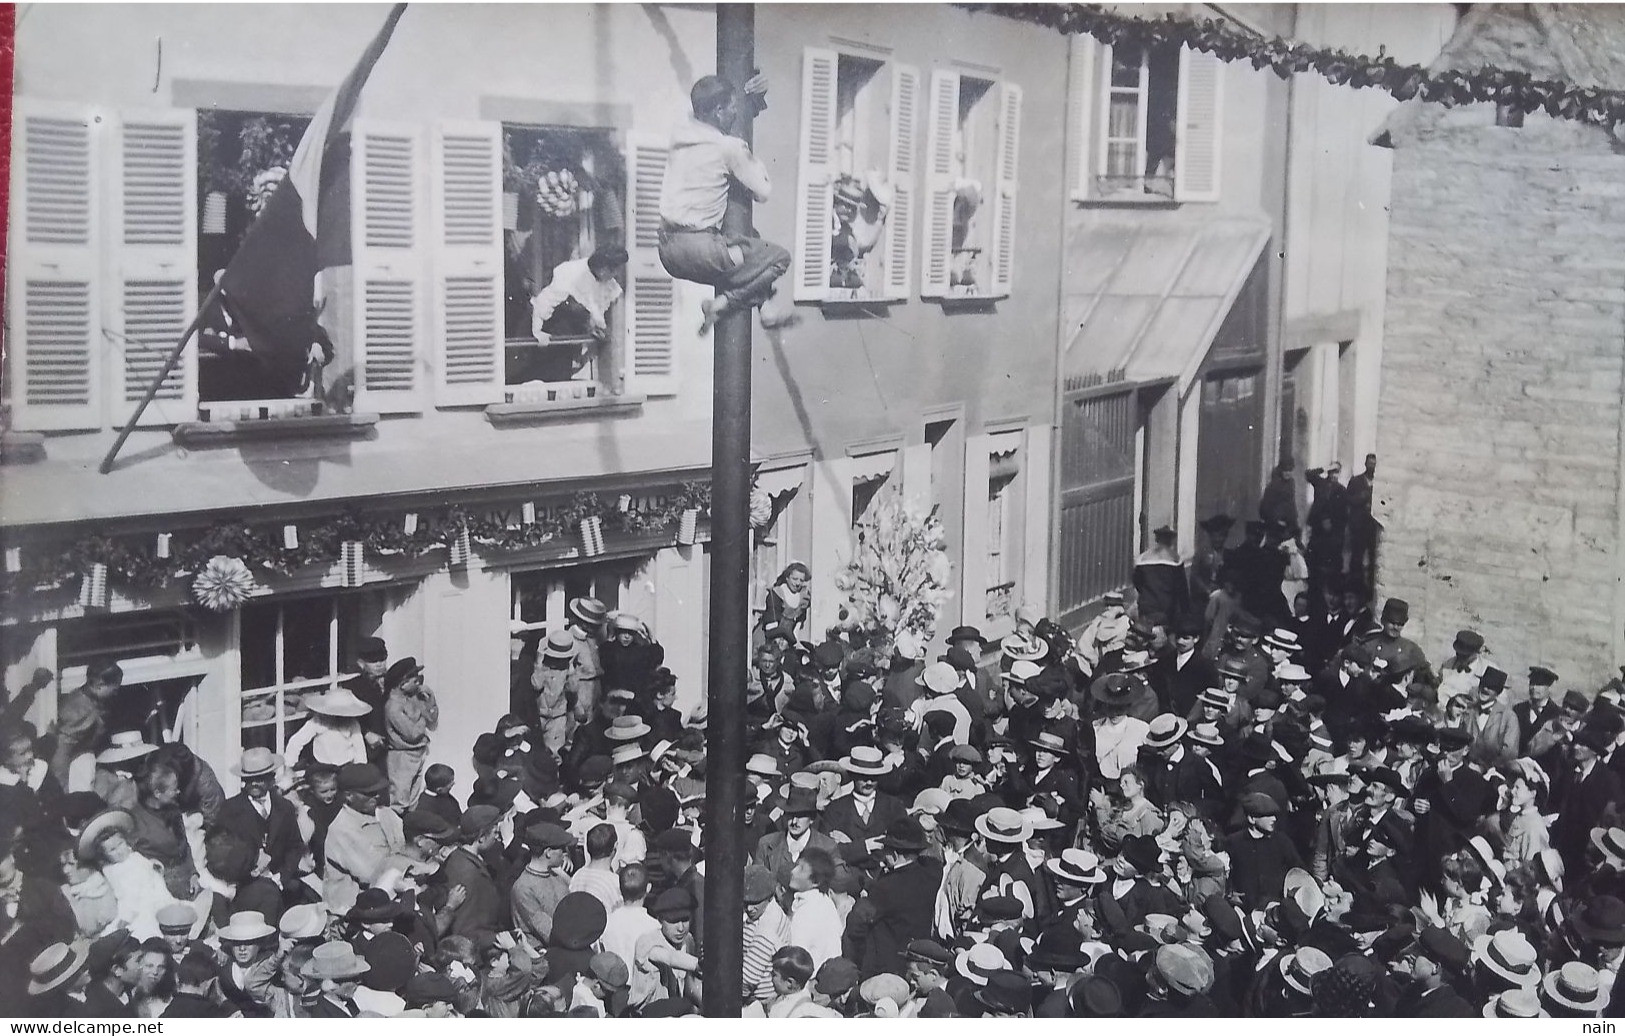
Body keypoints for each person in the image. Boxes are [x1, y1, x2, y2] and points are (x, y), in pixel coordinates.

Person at [657, 73, 795, 335]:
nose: (735, 112)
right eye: (732, 106)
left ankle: (764, 308)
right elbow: (763, 191)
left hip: (668, 252)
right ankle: (723, 304)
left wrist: (754, 96)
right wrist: (749, 157)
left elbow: (699, 104)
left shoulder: (680, 134)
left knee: (752, 240)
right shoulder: (728, 147)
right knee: (778, 258)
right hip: (702, 251)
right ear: (719, 110)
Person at [529, 246, 627, 345]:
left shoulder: (607, 282)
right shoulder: (571, 273)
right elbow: (544, 301)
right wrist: (537, 332)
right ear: (603, 268)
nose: (615, 274)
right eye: (613, 270)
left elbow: (598, 309)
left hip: (573, 336)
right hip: (548, 328)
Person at [382, 658, 438, 809]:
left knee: (413, 799)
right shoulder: (393, 707)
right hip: (402, 757)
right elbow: (412, 733)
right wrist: (421, 713)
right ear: (402, 684)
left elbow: (432, 717)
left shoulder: (411, 698)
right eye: (415, 679)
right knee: (400, 800)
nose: (419, 683)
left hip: (417, 754)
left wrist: (430, 698)